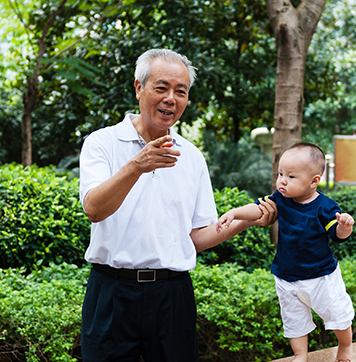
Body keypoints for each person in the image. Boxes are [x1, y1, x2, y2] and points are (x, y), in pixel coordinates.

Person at [79, 48, 277, 362]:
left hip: (172, 295)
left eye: (180, 91)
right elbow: (94, 208)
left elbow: (197, 237)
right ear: (138, 88)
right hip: (112, 293)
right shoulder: (102, 143)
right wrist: (138, 165)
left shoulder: (192, 156)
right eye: (162, 88)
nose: (171, 98)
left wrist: (246, 220)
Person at [217, 142, 355, 362]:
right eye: (280, 173)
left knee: (337, 314)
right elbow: (259, 208)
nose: (282, 180)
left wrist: (344, 227)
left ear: (314, 181)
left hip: (321, 277)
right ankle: (300, 355)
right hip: (286, 276)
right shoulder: (281, 199)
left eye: (291, 177)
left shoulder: (325, 207)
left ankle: (345, 346)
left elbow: (337, 236)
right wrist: (235, 213)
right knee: (294, 320)